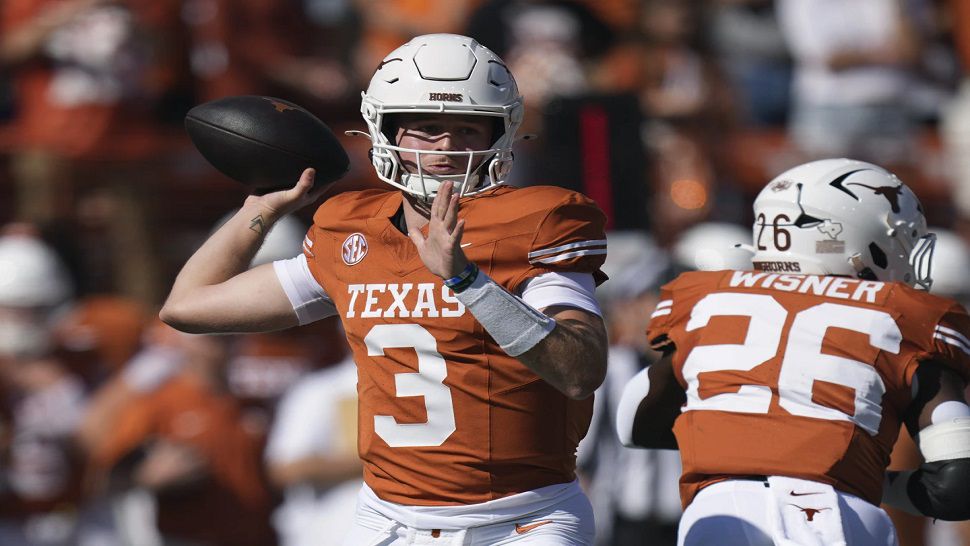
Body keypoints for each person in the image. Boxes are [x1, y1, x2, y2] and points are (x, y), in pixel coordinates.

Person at [160, 33, 609, 543]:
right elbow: (188, 306)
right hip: (388, 521)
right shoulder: (351, 230)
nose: (445, 147)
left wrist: (468, 280)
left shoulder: (538, 220)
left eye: (467, 127)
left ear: (500, 134)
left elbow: (580, 371)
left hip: (522, 520)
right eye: (427, 128)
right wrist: (262, 208)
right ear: (384, 129)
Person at [616, 158, 970, 545]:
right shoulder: (904, 319)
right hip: (831, 514)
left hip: (717, 513)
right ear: (849, 239)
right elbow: (956, 484)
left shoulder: (709, 302)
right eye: (901, 241)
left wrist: (745, 434)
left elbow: (633, 422)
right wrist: (864, 473)